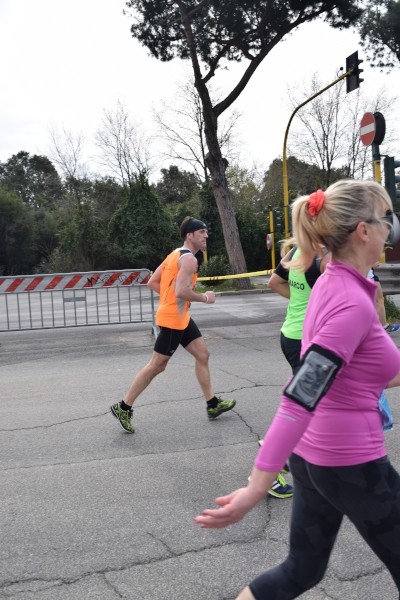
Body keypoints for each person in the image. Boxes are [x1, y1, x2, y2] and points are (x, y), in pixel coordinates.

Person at [195, 180, 400, 599]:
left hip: (312, 457)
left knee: (301, 570)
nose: (390, 232)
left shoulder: (333, 282)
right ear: (363, 230)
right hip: (350, 461)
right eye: (387, 220)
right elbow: (300, 394)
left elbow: (364, 370)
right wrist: (257, 485)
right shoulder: (350, 302)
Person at [110, 216, 235, 433]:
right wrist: (205, 297)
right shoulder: (189, 260)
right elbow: (181, 291)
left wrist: (173, 300)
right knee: (157, 365)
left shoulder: (175, 254)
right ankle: (124, 406)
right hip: (173, 320)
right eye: (202, 232)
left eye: (206, 231)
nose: (206, 235)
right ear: (190, 235)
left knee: (203, 354)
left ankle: (212, 404)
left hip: (180, 316)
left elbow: (152, 282)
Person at [257, 245, 330, 500]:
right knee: (305, 407)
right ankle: (273, 461)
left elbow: (274, 282)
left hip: (292, 334)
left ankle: (296, 459)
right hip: (306, 340)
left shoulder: (298, 251)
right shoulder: (321, 260)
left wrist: (303, 303)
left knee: (312, 404)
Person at [368, 264, 400, 332]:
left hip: (366, 274)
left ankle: (375, 326)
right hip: (368, 275)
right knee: (379, 300)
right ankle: (384, 326)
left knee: (374, 301)